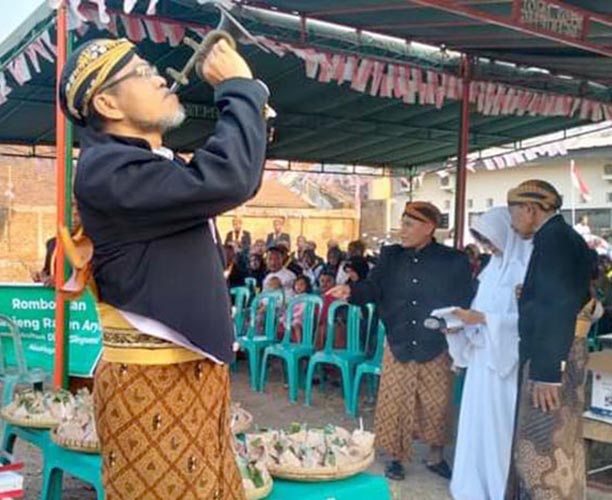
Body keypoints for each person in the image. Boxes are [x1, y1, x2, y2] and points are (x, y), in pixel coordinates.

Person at [61, 37, 269, 499]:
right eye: (139, 71)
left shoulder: (147, 164)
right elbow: (229, 177)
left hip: (192, 373)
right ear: (106, 102)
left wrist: (248, 99)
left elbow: (233, 172)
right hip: (150, 383)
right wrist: (239, 88)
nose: (158, 76)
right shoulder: (107, 171)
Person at [328, 202, 473, 481]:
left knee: (436, 402)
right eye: (402, 223)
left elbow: (464, 299)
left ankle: (435, 456)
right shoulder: (391, 256)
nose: (402, 230)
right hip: (400, 338)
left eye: (409, 224)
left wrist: (454, 329)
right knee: (396, 401)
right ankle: (396, 457)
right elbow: (374, 287)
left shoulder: (453, 260)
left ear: (429, 227)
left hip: (436, 341)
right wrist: (351, 290)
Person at [505, 180, 593, 500]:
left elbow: (557, 306)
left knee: (542, 451)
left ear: (530, 209)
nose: (512, 221)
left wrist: (546, 373)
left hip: (553, 360)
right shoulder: (561, 238)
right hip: (560, 353)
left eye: (514, 212)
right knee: (560, 446)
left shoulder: (554, 241)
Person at [445, 207, 532, 500]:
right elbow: (480, 312)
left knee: (499, 428)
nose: (488, 248)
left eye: (491, 240)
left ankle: (498, 489)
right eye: (483, 242)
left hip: (504, 362)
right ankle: (473, 484)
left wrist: (484, 320)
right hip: (483, 358)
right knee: (475, 424)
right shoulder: (492, 268)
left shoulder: (524, 269)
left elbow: (526, 321)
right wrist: (460, 326)